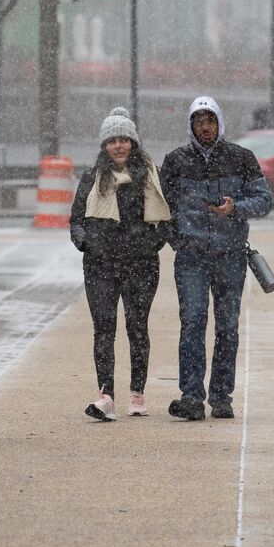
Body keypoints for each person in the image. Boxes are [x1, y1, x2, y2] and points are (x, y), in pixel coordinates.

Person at [160, 96, 274, 420]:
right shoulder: (176, 161)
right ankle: (192, 397)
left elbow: (265, 199)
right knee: (193, 322)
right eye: (199, 121)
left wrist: (235, 208)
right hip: (191, 257)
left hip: (230, 255)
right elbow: (161, 206)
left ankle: (221, 396)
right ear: (191, 125)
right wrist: (177, 240)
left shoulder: (241, 158)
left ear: (219, 123)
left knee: (227, 327)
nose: (205, 127)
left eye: (210, 120)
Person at [70, 107, 171, 421]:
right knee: (104, 329)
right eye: (112, 140)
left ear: (133, 143)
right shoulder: (92, 177)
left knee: (137, 328)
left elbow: (166, 220)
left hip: (141, 266)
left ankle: (137, 393)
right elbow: (76, 221)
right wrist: (88, 243)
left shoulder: (150, 177)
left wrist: (149, 243)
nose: (118, 145)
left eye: (124, 139)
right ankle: (105, 396)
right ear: (104, 146)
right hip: (100, 266)